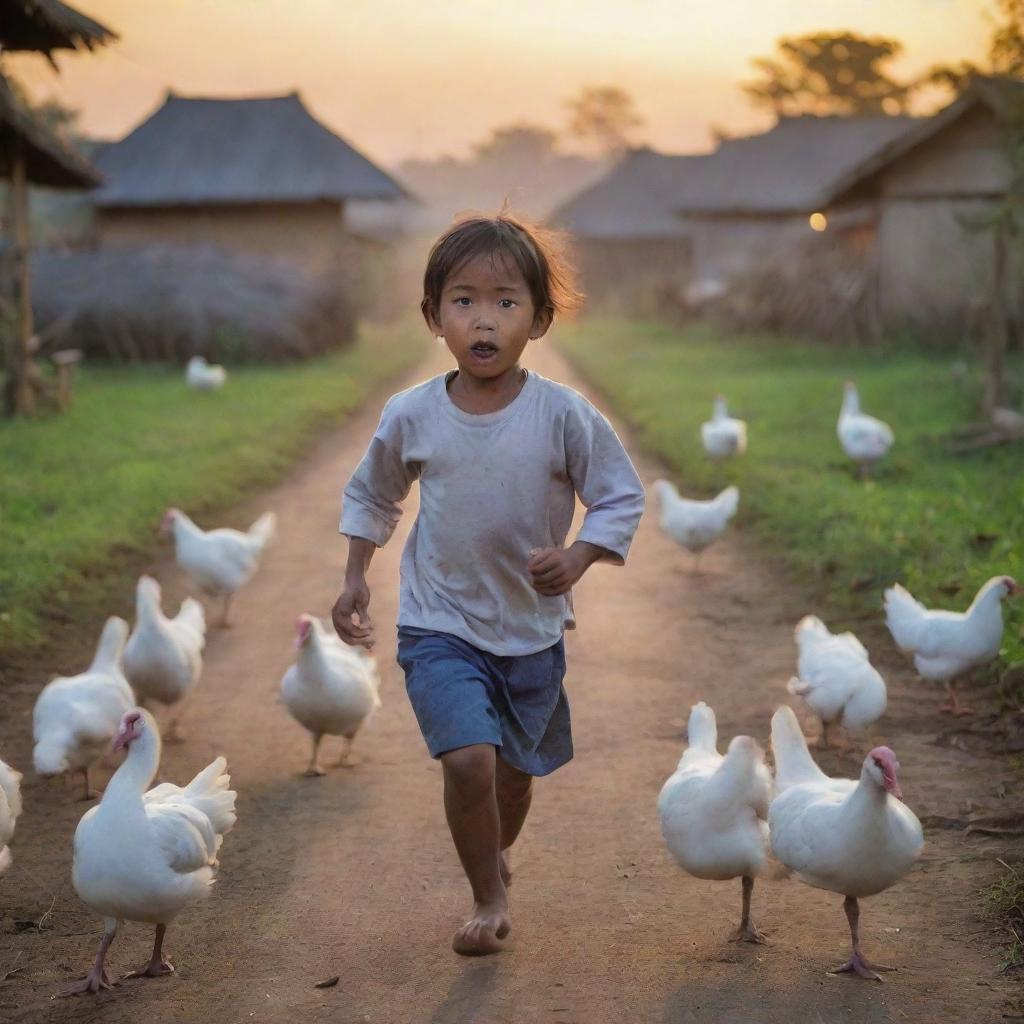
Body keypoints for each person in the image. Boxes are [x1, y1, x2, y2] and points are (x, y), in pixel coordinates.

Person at [332, 213, 644, 956]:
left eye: (505, 303)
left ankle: (494, 849)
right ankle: (488, 896)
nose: (483, 319)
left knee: (512, 775)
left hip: (530, 629)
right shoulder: (412, 413)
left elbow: (620, 496)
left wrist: (579, 557)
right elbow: (373, 494)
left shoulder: (563, 415)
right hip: (439, 622)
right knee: (469, 760)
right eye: (464, 300)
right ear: (434, 316)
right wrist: (353, 578)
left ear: (537, 320)